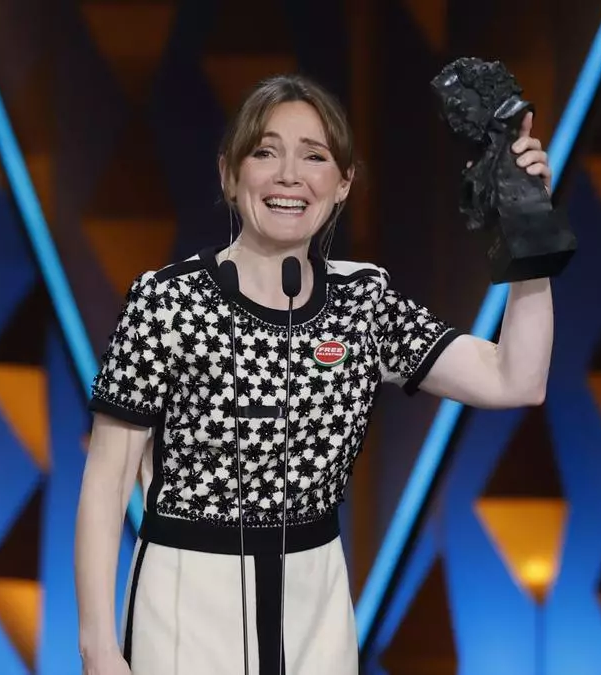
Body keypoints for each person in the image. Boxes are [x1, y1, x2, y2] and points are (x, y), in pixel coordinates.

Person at [74, 73, 554, 675]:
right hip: (184, 603)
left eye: (314, 156)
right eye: (265, 152)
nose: (289, 176)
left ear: (344, 183)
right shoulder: (167, 303)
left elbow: (517, 380)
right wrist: (98, 647)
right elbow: (106, 482)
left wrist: (529, 227)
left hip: (316, 606)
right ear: (229, 174)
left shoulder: (362, 303)